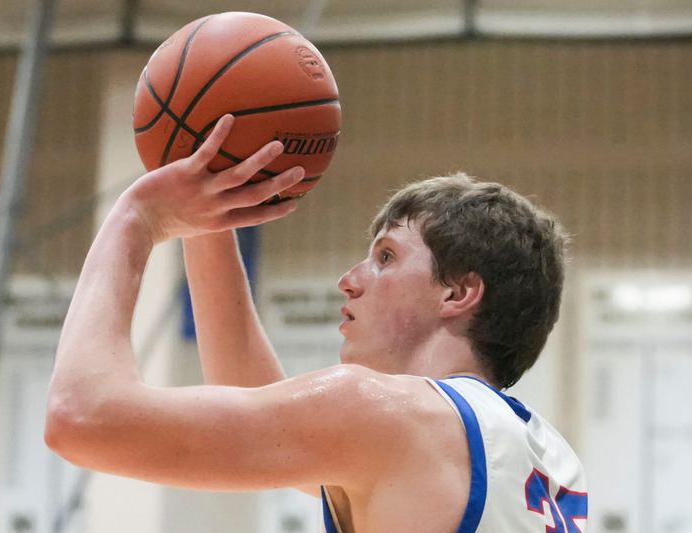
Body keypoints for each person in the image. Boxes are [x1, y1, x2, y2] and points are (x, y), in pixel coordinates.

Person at [45, 114, 588, 532]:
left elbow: (81, 416)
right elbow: (260, 404)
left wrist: (135, 218)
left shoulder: (390, 415)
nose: (349, 280)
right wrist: (211, 216)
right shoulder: (544, 457)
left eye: (387, 257)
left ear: (458, 292)